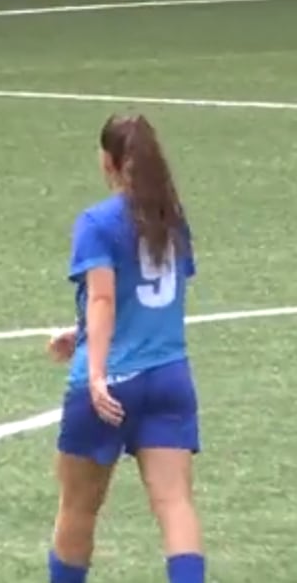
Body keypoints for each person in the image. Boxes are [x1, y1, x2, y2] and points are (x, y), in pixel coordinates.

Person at [45, 115, 204, 583]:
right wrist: (81, 332)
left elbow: (104, 296)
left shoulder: (98, 223)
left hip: (113, 383)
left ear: (109, 162)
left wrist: (95, 371)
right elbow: (155, 300)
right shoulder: (172, 219)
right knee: (175, 505)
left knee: (78, 510)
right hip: (170, 377)